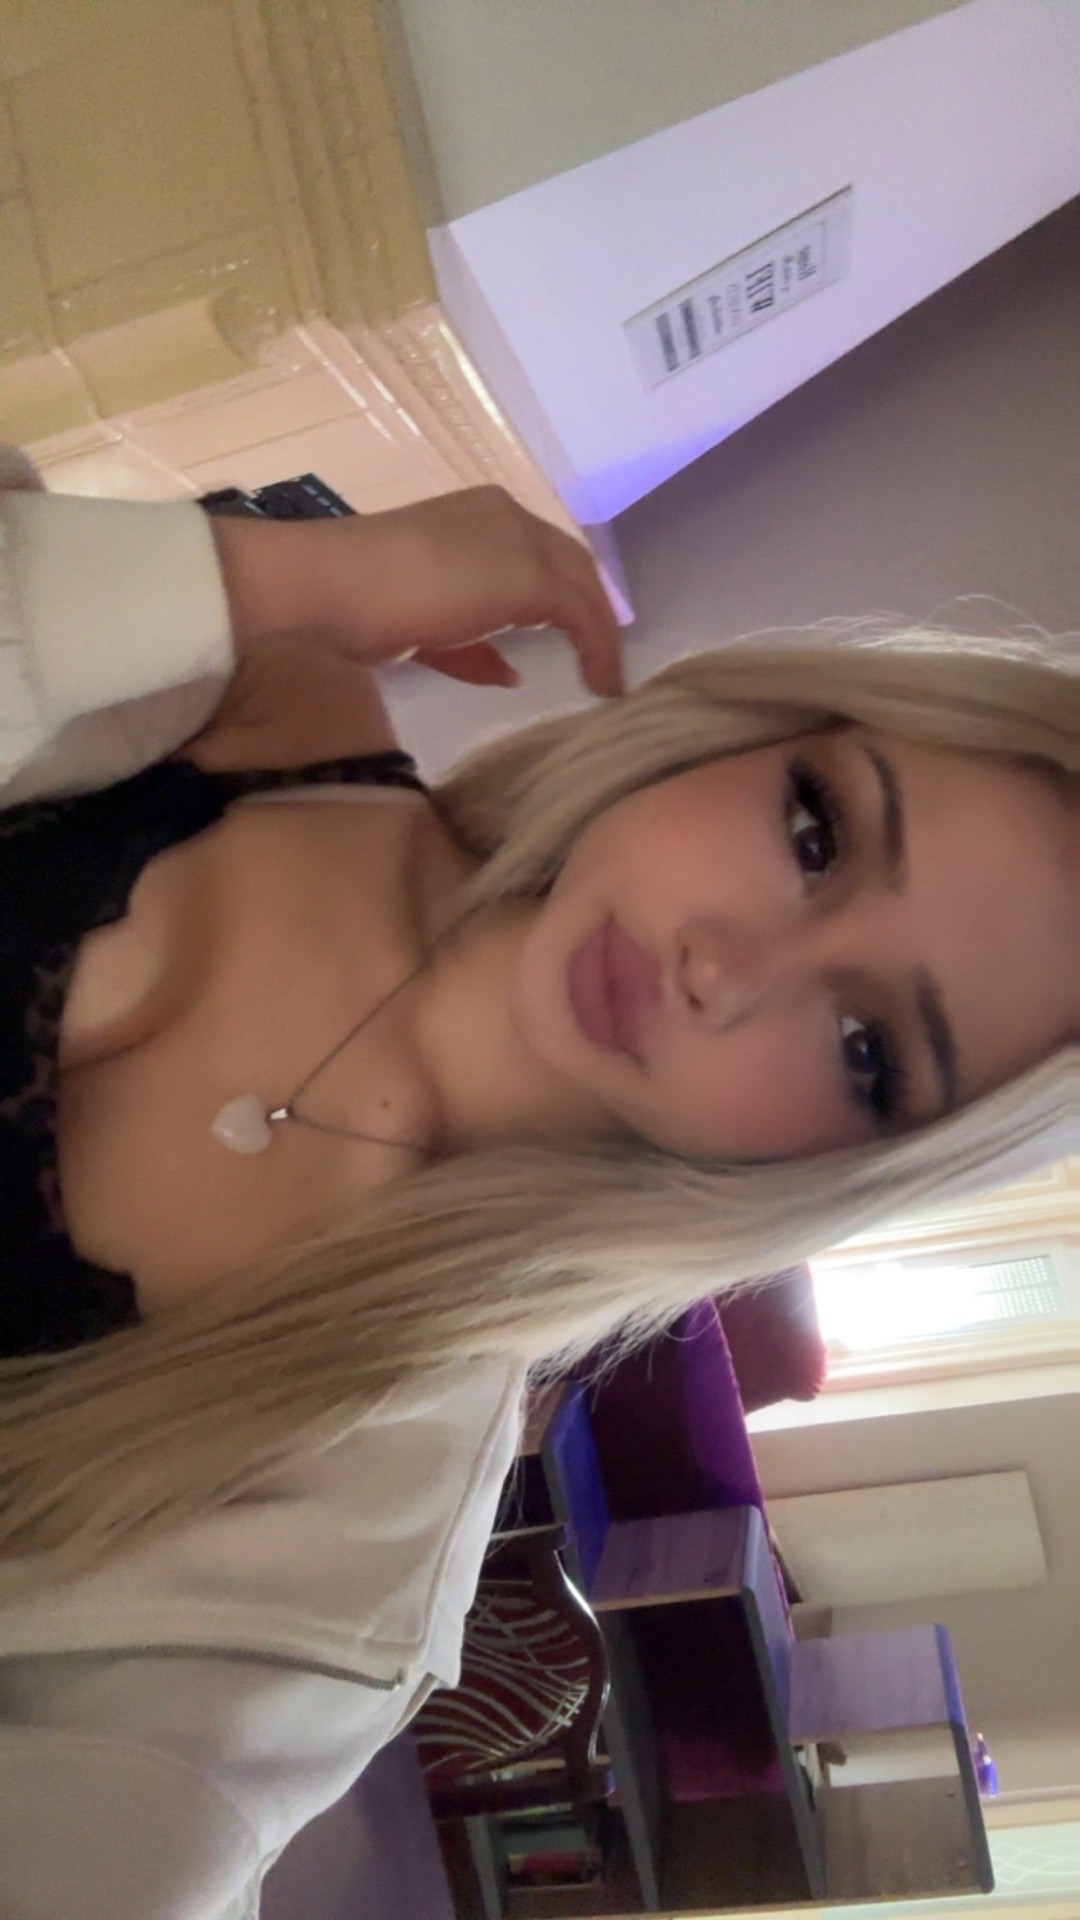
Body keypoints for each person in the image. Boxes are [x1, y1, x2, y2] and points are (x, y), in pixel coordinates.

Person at [0, 441, 1075, 1918]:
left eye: (866, 1048)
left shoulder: (358, 1529)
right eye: (814, 832)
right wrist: (269, 574)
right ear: (751, 732)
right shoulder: (272, 692)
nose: (726, 968)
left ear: (838, 1166)